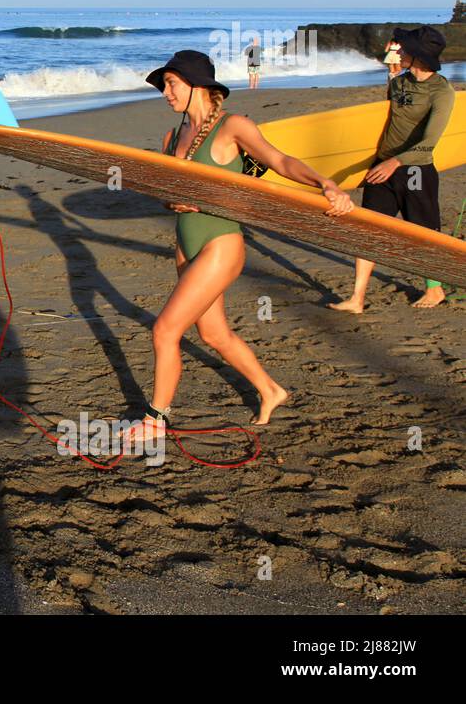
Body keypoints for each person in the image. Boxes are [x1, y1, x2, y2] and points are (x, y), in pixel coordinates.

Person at [121, 51, 353, 445]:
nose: (165, 92)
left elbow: (280, 160)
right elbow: (168, 195)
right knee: (213, 334)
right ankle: (271, 390)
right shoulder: (172, 137)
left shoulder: (233, 126)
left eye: (171, 83)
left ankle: (155, 419)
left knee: (164, 330)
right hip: (186, 242)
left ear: (196, 83)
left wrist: (325, 184)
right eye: (163, 85)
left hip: (220, 242)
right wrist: (173, 201)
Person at [329, 26, 454, 312]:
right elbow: (386, 118)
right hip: (381, 167)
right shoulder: (399, 82)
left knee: (422, 232)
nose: (402, 52)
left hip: (414, 170)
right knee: (368, 230)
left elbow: (429, 142)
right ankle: (357, 298)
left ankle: (434, 290)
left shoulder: (441, 91)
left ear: (419, 56)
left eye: (407, 49)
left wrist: (395, 162)